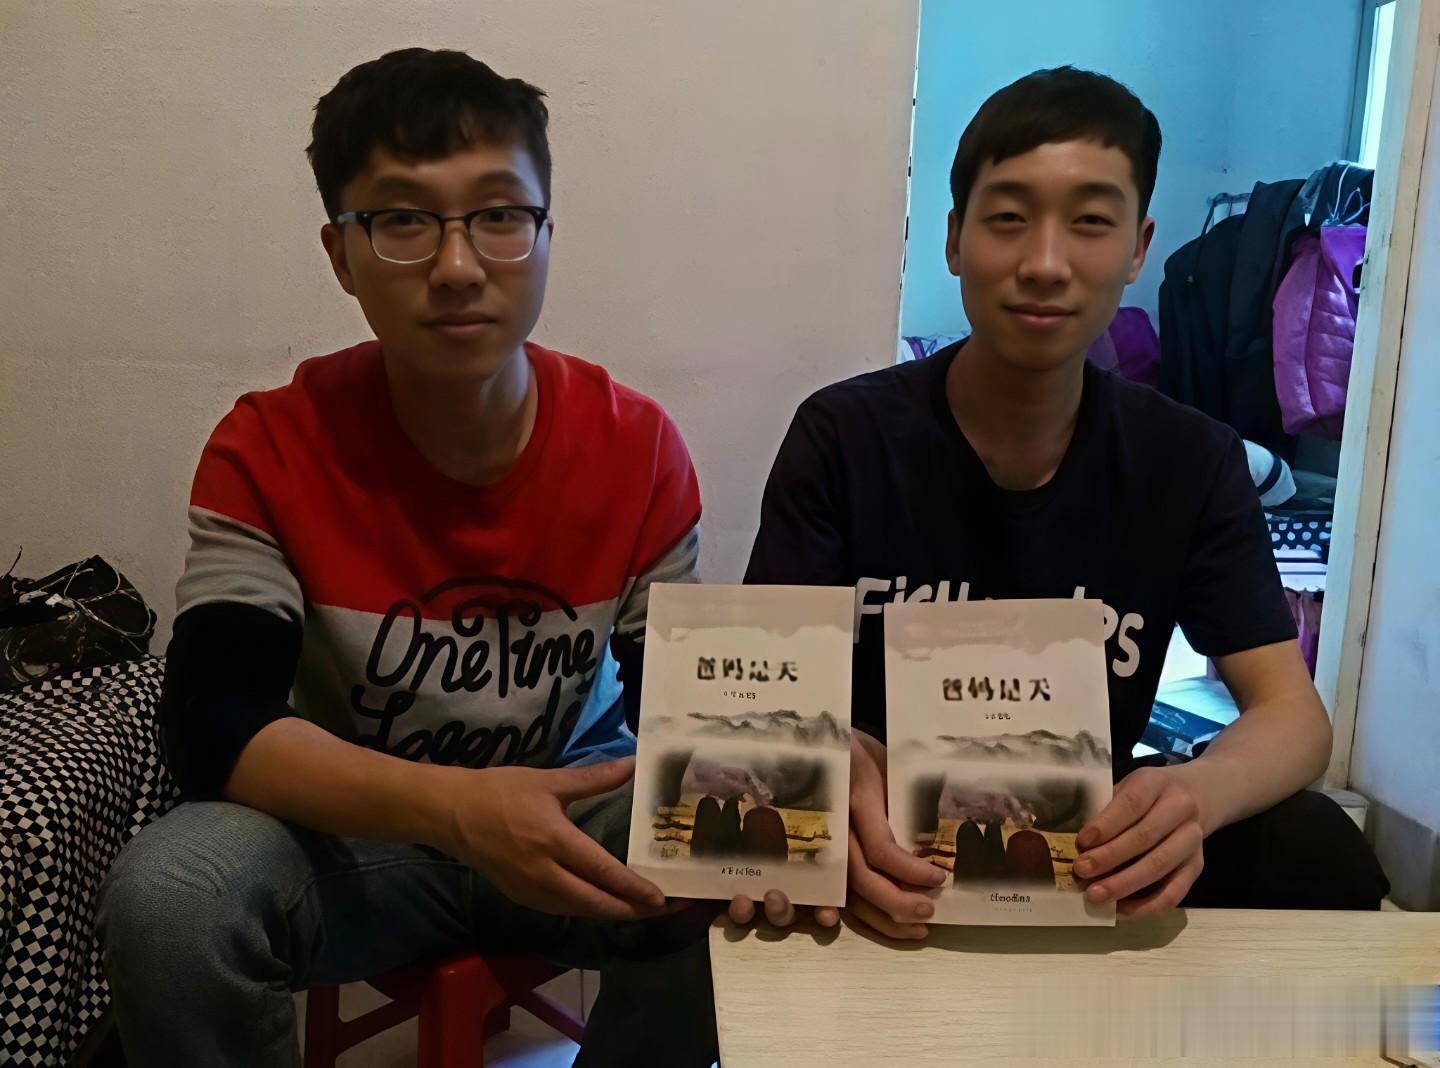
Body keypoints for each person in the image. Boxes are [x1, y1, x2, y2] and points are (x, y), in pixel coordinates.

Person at [97, 48, 717, 1066]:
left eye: (499, 215)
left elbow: (680, 722)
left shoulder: (637, 449)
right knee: (170, 898)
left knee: (727, 864)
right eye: (403, 221)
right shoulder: (269, 447)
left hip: (567, 815)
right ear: (341, 254)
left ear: (546, 235)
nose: (459, 265)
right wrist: (462, 812)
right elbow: (212, 724)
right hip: (358, 835)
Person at [739, 66, 1389, 940]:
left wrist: (1195, 793)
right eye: (1008, 218)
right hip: (881, 844)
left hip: (1084, 853)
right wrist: (830, 765)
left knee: (1319, 848)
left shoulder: (1188, 461)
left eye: (1089, 222)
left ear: (1138, 247)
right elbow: (762, 702)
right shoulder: (845, 438)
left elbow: (1292, 716)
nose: (1044, 264)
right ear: (954, 240)